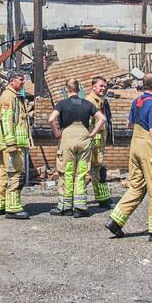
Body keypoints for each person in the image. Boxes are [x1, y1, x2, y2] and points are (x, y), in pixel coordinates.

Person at [105, 72, 152, 243]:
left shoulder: (137, 101)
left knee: (136, 186)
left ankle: (116, 220)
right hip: (148, 147)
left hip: (135, 145)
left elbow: (129, 123)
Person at [48, 78, 107, 218]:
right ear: (79, 89)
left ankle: (65, 207)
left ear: (66, 89)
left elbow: (51, 119)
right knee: (81, 173)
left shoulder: (62, 104)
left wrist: (57, 133)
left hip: (67, 140)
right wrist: (92, 134)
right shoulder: (87, 103)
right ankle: (80, 208)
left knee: (67, 172)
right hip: (84, 139)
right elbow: (102, 119)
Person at [0, 70, 33, 219]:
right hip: (12, 144)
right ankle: (13, 208)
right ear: (12, 81)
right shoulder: (9, 96)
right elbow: (6, 120)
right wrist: (11, 143)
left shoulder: (13, 95)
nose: (23, 82)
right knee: (15, 174)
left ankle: (0, 205)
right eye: (20, 79)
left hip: (5, 144)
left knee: (2, 173)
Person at [84, 76, 114, 208]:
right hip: (91, 143)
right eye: (101, 86)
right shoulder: (89, 102)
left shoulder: (101, 101)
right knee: (86, 172)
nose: (103, 88)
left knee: (99, 170)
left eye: (105, 86)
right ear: (93, 87)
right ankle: (76, 199)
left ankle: (102, 198)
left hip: (98, 142)